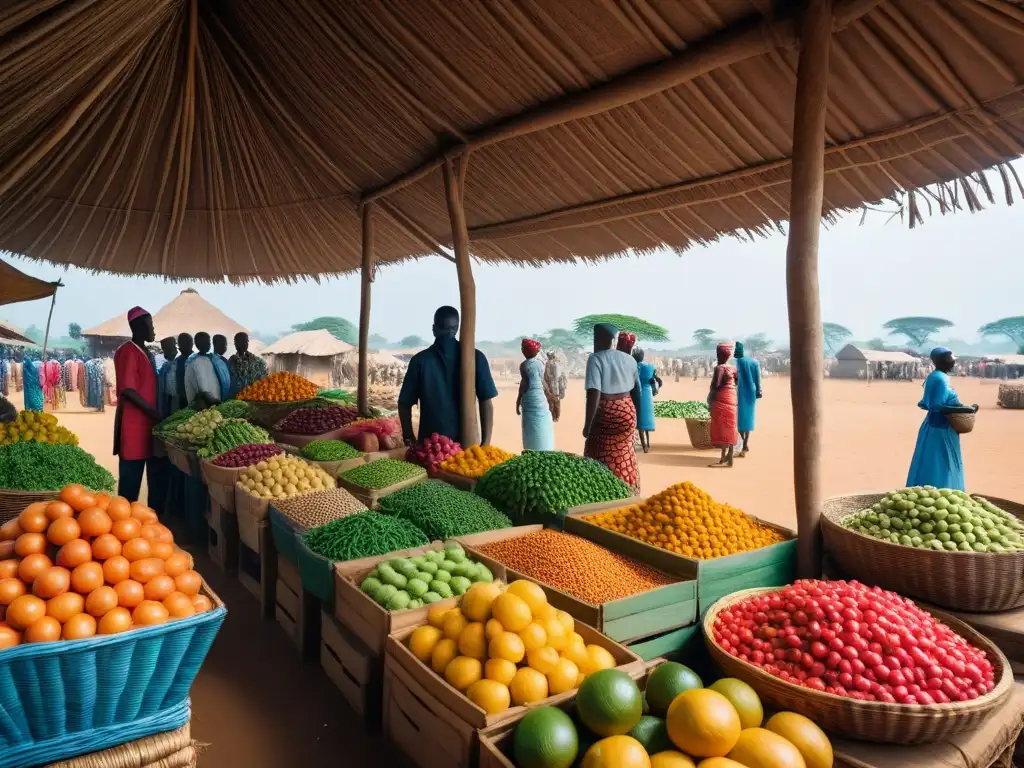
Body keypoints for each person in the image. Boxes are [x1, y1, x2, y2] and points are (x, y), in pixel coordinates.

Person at [399, 306, 498, 445]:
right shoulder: (476, 357)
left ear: (434, 329)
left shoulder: (419, 361)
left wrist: (409, 437)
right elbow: (486, 402)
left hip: (431, 449)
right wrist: (486, 443)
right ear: (456, 329)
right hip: (466, 449)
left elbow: (404, 403)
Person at [907, 348, 978, 491]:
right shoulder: (940, 378)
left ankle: (933, 490)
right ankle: (940, 490)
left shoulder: (936, 376)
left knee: (934, 460)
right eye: (950, 358)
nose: (953, 361)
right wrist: (966, 410)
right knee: (941, 462)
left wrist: (963, 407)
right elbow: (937, 406)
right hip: (941, 428)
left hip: (936, 426)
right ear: (942, 361)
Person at [583, 323, 641, 493]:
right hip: (627, 410)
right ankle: (629, 489)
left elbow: (594, 393)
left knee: (597, 447)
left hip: (607, 412)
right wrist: (635, 418)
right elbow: (637, 392)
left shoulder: (596, 358)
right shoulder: (629, 359)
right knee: (625, 451)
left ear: (598, 339)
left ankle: (601, 491)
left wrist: (588, 425)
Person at [112, 307, 161, 502]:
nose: (153, 330)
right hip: (134, 424)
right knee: (130, 480)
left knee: (149, 475)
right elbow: (128, 390)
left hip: (147, 424)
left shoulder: (145, 352)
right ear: (138, 327)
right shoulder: (128, 351)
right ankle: (123, 520)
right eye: (150, 325)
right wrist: (152, 411)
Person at [517, 338, 555, 451]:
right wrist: (549, 394)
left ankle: (532, 448)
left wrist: (518, 400)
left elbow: (524, 384)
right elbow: (543, 381)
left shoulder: (523, 365)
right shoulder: (541, 364)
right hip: (540, 397)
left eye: (523, 349)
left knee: (531, 424)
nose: (522, 351)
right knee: (542, 422)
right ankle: (545, 447)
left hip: (529, 397)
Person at [708, 342, 739, 468]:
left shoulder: (719, 368)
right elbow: (737, 381)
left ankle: (724, 457)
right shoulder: (733, 368)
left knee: (721, 428)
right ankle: (728, 457)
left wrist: (710, 400)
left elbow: (716, 385)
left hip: (721, 399)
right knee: (730, 427)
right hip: (732, 398)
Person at [734, 341, 762, 457]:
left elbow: (736, 378)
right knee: (749, 419)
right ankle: (745, 443)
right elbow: (757, 379)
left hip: (741, 392)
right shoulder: (754, 363)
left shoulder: (739, 362)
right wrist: (758, 391)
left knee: (741, 420)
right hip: (751, 392)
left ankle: (742, 445)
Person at [632, 347, 660, 454]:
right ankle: (648, 443)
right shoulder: (650, 367)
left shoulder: (636, 367)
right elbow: (655, 380)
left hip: (639, 393)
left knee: (640, 422)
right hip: (648, 394)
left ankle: (644, 447)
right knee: (647, 420)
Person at [184, 332, 222, 408]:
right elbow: (202, 387)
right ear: (197, 344)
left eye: (209, 341)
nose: (209, 344)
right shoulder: (194, 362)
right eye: (206, 342)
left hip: (214, 400)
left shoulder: (210, 359)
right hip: (204, 404)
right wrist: (213, 401)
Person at [229, 332, 268, 397]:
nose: (245, 343)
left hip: (256, 397)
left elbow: (265, 377)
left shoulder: (257, 361)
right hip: (238, 398)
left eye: (246, 341)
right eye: (240, 341)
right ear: (235, 344)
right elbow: (231, 381)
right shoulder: (232, 360)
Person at [166, 333, 193, 413]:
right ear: (179, 345)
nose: (185, 345)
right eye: (183, 343)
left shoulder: (197, 359)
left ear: (192, 344)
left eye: (187, 343)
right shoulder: (175, 362)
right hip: (181, 398)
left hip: (195, 397)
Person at [156, 337, 178, 420]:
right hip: (167, 399)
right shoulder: (164, 367)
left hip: (176, 399)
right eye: (163, 349)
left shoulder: (180, 364)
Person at [543, 351, 567, 422]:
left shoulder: (546, 365)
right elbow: (557, 378)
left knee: (550, 403)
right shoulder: (555, 365)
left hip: (548, 387)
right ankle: (556, 417)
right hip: (555, 387)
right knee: (556, 403)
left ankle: (553, 417)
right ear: (553, 357)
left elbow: (545, 378)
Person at [211, 334, 232, 398]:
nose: (225, 347)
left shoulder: (225, 360)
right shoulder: (210, 360)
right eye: (223, 344)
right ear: (214, 344)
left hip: (226, 396)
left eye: (226, 345)